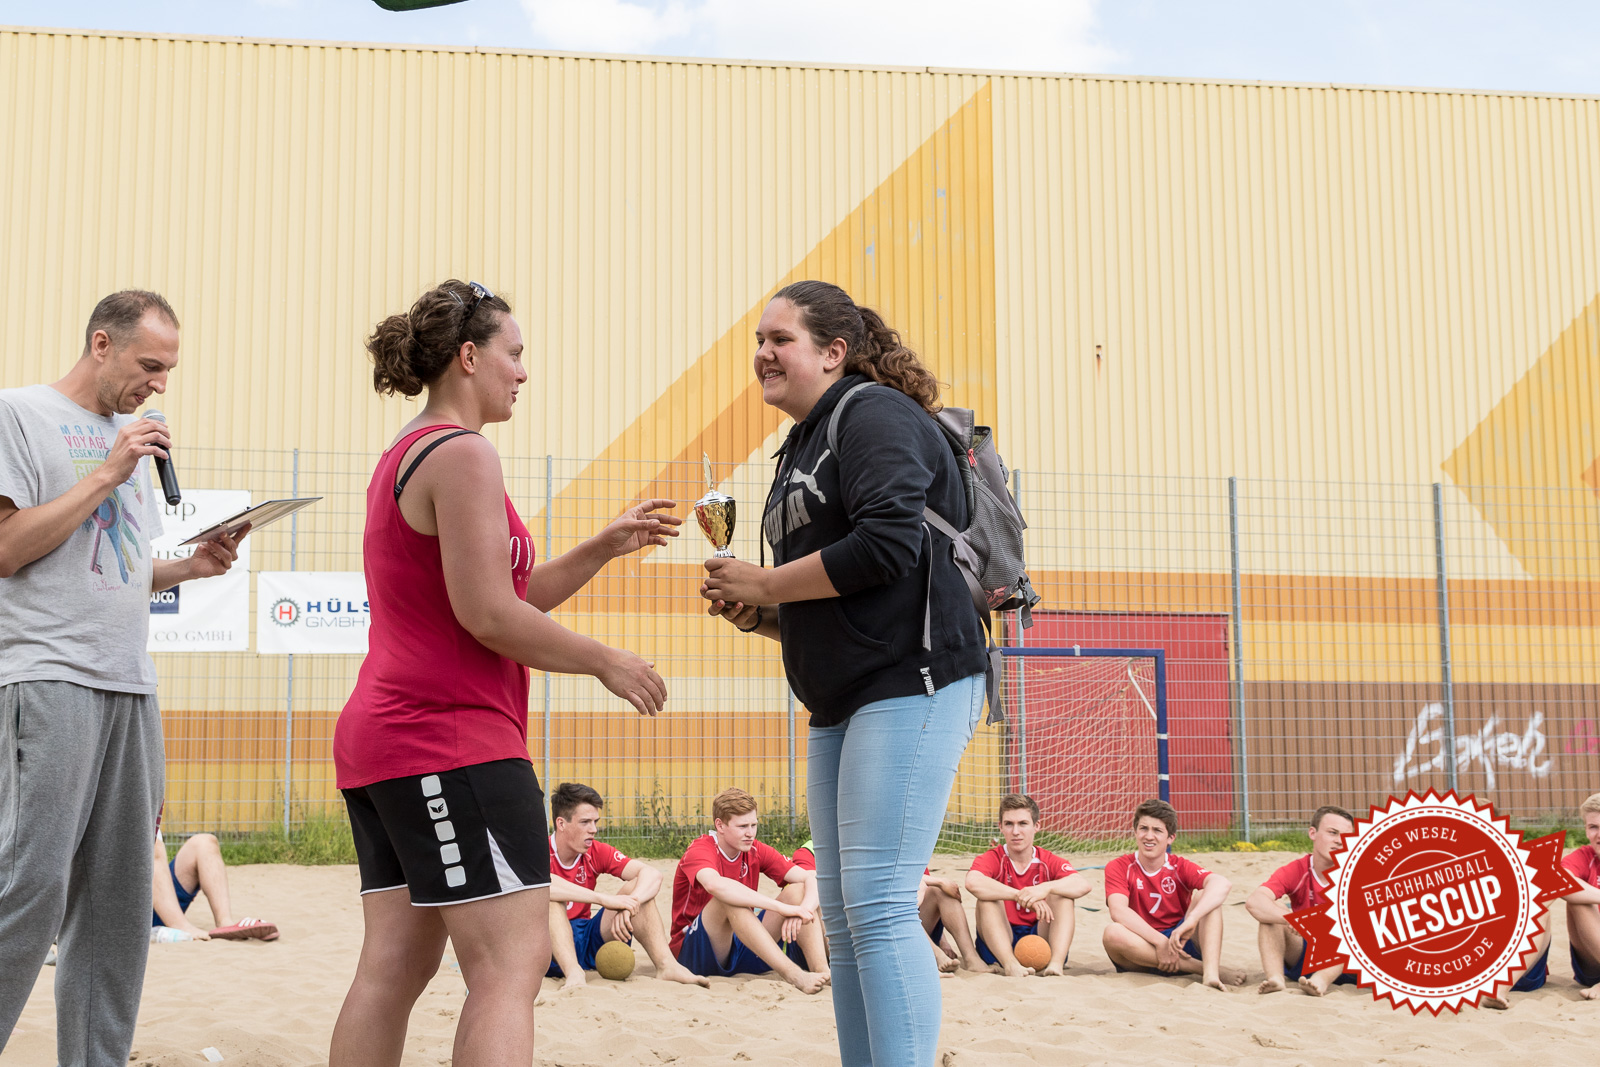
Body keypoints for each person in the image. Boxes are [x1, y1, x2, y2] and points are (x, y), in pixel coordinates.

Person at [328, 280, 679, 1067]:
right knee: (507, 967)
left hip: (390, 736)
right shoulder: (462, 453)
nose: (522, 372)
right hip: (448, 739)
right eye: (513, 355)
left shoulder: (408, 449)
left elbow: (498, 595)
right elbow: (489, 615)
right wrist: (604, 660)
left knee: (396, 963)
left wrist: (600, 546)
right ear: (468, 356)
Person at [701, 280, 988, 1065]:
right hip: (842, 698)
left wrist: (763, 583)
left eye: (779, 337)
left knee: (882, 904)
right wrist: (761, 611)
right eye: (757, 338)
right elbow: (840, 593)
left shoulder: (873, 412)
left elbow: (889, 547)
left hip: (915, 679)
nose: (762, 351)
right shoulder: (801, 441)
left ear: (834, 351)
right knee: (848, 908)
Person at [0, 290, 245, 1067]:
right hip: (47, 677)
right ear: (100, 344)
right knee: (29, 888)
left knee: (113, 904)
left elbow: (112, 567)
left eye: (169, 369)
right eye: (150, 365)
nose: (161, 384)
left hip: (130, 686)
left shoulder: (129, 441)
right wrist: (107, 471)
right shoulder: (19, 415)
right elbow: (8, 548)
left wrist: (190, 566)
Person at [545, 782, 706, 987]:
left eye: (595, 821)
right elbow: (544, 884)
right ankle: (574, 973)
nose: (593, 830)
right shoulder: (538, 850)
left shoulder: (595, 850)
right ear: (561, 823)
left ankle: (667, 966)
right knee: (549, 899)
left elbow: (652, 874)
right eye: (585, 822)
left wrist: (630, 905)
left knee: (636, 888)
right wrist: (604, 899)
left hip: (585, 936)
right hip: (547, 946)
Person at [668, 788, 827, 991]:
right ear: (720, 825)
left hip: (740, 943)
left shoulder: (755, 849)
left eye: (753, 825)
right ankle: (795, 975)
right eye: (743, 826)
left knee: (798, 891)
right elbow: (715, 885)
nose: (750, 833)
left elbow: (810, 876)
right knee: (729, 899)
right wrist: (780, 907)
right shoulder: (702, 848)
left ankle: (822, 970)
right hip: (691, 953)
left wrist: (803, 909)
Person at [1102, 798, 1245, 991]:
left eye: (1157, 830)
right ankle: (1201, 969)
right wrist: (1159, 942)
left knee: (1207, 897)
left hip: (1180, 942)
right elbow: (1118, 910)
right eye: (1144, 828)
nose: (1149, 836)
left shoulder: (1179, 865)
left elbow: (1222, 883)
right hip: (1140, 951)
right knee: (1112, 933)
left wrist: (1192, 920)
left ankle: (1211, 976)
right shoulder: (1119, 866)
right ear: (1135, 832)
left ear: (1171, 838)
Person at [965, 794, 1090, 977]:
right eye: (1009, 824)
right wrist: (1019, 895)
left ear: (1036, 826)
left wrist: (1045, 888)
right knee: (987, 899)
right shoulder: (993, 858)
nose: (1016, 831)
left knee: (1062, 895)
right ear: (1000, 827)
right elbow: (972, 881)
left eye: (1023, 823)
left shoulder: (1047, 860)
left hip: (1040, 937)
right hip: (1001, 938)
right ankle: (1010, 965)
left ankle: (1055, 964)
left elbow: (1082, 884)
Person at [1245, 805, 1357, 995]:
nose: (1339, 841)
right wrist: (1292, 919)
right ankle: (1276, 978)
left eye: (1346, 836)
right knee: (1272, 914)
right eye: (1332, 833)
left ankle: (1321, 981)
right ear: (1312, 833)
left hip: (1350, 964)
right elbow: (1255, 901)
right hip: (1306, 955)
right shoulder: (1298, 870)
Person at [152, 832, 278, 941]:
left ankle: (225, 923)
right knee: (152, 846)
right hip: (137, 915)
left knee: (205, 843)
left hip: (156, 901)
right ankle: (180, 926)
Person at [1561, 792, 1600, 1002]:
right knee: (1578, 900)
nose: (1599, 834)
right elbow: (1559, 881)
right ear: (1585, 830)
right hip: (1593, 959)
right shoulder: (1584, 857)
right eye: (1593, 827)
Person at [918, 868, 987, 974]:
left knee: (941, 890)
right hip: (891, 922)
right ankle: (936, 955)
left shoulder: (913, 855)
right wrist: (940, 881)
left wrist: (944, 943)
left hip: (919, 925)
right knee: (898, 907)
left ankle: (971, 958)